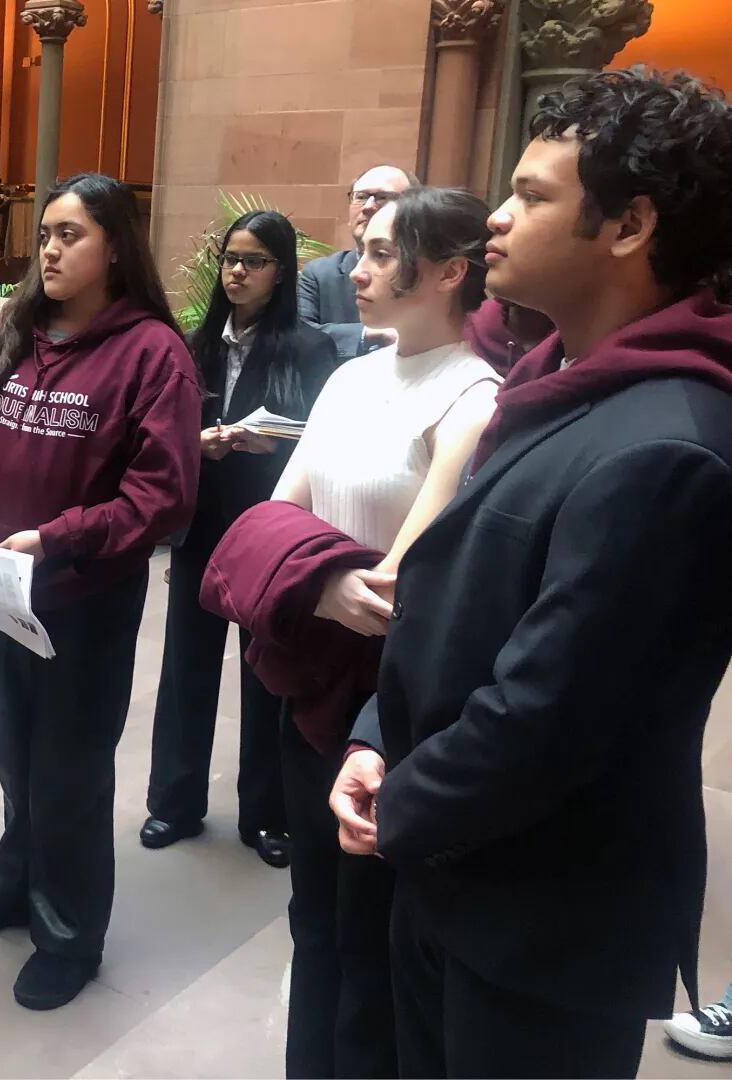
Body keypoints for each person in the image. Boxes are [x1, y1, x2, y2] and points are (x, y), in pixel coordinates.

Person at [331, 68, 732, 1079]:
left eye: (534, 196)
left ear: (631, 224)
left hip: (544, 926)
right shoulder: (552, 378)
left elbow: (548, 716)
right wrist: (376, 739)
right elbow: (443, 593)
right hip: (450, 869)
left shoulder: (670, 445)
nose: (496, 220)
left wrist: (399, 811)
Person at [0, 173, 201, 1011]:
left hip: (84, 599)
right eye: (45, 232)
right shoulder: (15, 330)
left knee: (71, 766)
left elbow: (162, 496)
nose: (49, 248)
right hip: (2, 591)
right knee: (18, 746)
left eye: (71, 234)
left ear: (114, 245)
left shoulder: (154, 354)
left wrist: (59, 537)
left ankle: (70, 929)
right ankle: (14, 878)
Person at [270, 186, 502, 1078]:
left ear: (447, 272)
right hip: (306, 670)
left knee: (367, 933)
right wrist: (319, 579)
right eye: (358, 250)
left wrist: (307, 574)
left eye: (376, 252)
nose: (354, 271)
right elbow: (271, 519)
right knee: (312, 920)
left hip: (389, 699)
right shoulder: (351, 373)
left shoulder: (474, 398)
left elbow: (396, 586)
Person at [142, 210, 338, 867]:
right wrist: (199, 444)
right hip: (202, 528)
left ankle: (268, 815)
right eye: (230, 258)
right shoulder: (197, 345)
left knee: (267, 674)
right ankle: (173, 803)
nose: (237, 272)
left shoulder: (309, 347)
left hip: (269, 529)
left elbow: (325, 438)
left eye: (253, 261)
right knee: (186, 669)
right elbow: (166, 432)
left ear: (281, 271)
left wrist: (266, 447)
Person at [299, 165, 417, 361]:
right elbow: (297, 335)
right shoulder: (320, 274)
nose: (368, 206)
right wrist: (368, 334)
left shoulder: (427, 274)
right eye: (361, 196)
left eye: (383, 197)